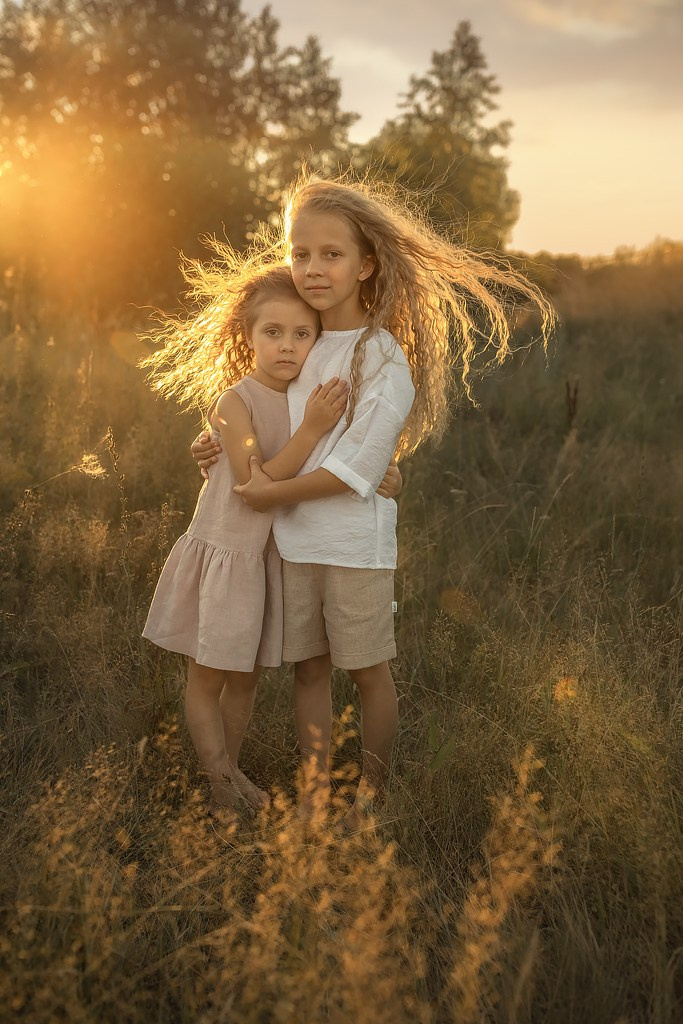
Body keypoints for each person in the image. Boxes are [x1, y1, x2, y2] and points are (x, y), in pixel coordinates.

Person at [192, 172, 556, 830]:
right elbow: (259, 413)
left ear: (365, 265)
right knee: (309, 672)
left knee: (366, 673)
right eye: (299, 253)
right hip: (293, 543)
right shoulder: (297, 341)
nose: (311, 268)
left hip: (354, 547)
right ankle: (311, 798)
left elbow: (356, 466)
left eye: (331, 255)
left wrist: (269, 489)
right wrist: (217, 446)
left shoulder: (381, 359)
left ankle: (370, 800)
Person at [141, 264, 351, 810]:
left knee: (247, 678)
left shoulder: (312, 395)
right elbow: (257, 482)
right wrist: (311, 430)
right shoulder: (234, 402)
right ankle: (219, 784)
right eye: (272, 333)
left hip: (269, 560)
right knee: (209, 677)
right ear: (249, 336)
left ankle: (228, 777)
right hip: (229, 553)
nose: (287, 347)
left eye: (302, 334)